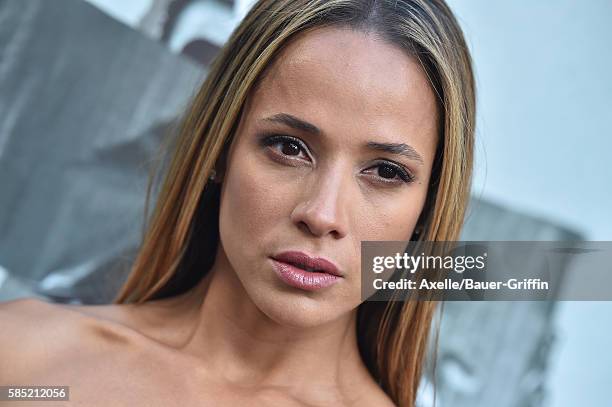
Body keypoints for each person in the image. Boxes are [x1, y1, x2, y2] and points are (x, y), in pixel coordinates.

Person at [0, 0, 475, 405]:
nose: (322, 214)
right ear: (219, 148)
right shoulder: (26, 363)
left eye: (386, 172)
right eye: (289, 147)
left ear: (427, 208)